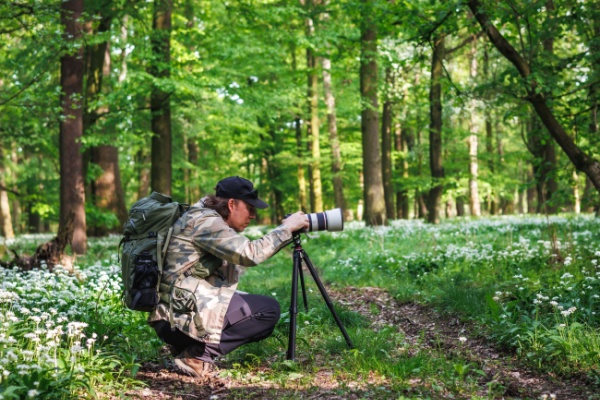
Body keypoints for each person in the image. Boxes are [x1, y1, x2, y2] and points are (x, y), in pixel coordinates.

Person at [148, 176, 309, 377]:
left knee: (253, 307)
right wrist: (286, 228)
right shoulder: (206, 223)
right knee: (267, 310)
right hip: (178, 319)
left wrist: (286, 234)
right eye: (250, 208)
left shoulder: (201, 217)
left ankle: (190, 348)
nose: (253, 216)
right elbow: (250, 253)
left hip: (173, 317)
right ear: (232, 204)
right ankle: (197, 356)